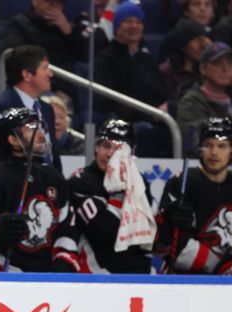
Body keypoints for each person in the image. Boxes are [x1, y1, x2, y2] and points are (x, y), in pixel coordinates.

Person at [0, 107, 79, 272]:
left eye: (40, 127)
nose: (40, 134)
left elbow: (66, 229)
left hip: (50, 275)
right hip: (5, 277)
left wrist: (63, 263)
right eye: (31, 128)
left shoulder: (53, 176)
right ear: (13, 139)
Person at [67, 119, 155, 273]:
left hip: (141, 271)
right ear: (97, 147)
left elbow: (151, 239)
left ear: (131, 152)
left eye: (118, 149)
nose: (109, 154)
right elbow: (107, 234)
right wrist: (119, 197)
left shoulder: (139, 184)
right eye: (106, 146)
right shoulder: (80, 182)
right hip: (99, 273)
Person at [158, 117, 232, 274]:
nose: (214, 152)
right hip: (186, 281)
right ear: (200, 149)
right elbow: (165, 247)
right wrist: (168, 225)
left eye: (222, 146)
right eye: (208, 145)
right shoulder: (182, 182)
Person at [0, 45, 61, 170]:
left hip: (46, 185)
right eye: (45, 68)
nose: (50, 74)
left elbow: (52, 157)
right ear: (27, 75)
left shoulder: (47, 108)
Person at [0, 0, 94, 74]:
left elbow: (83, 57)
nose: (53, 5)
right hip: (33, 83)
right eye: (48, 1)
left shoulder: (65, 27)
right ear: (35, 1)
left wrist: (69, 33)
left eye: (58, 2)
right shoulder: (18, 25)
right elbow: (15, 60)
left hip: (66, 84)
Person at [177, 42, 232, 153]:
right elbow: (190, 142)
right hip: (206, 164)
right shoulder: (191, 101)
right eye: (217, 63)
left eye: (230, 63)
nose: (225, 69)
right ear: (203, 68)